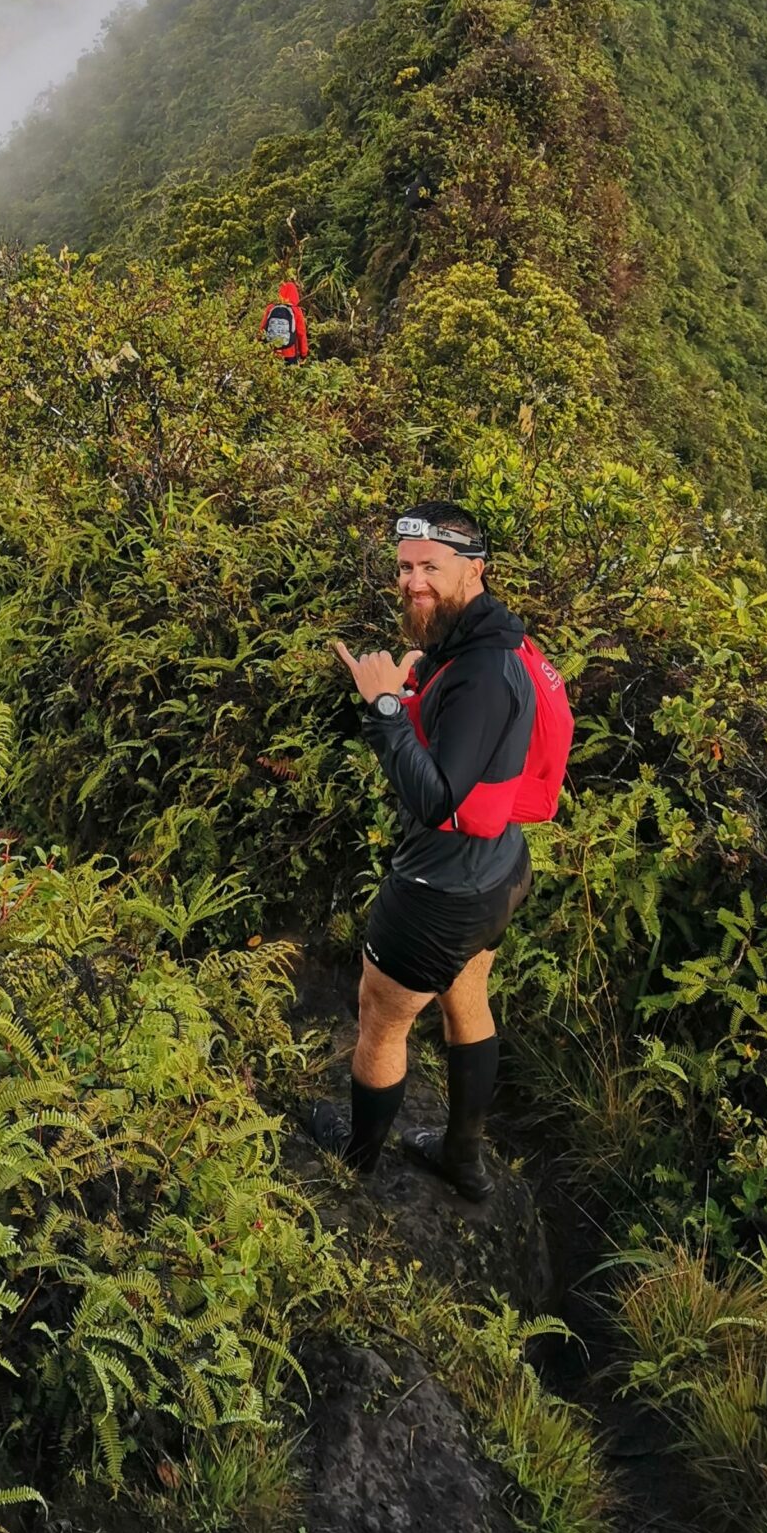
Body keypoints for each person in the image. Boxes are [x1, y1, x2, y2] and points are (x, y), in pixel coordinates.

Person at [305, 504, 535, 1199]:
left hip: (442, 892)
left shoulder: (482, 673)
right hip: (497, 873)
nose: (413, 582)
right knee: (466, 994)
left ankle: (358, 1158)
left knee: (381, 1013)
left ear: (475, 568)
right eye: (405, 568)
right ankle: (463, 1161)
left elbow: (437, 799)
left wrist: (381, 710)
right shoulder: (486, 639)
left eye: (429, 567)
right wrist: (409, 698)